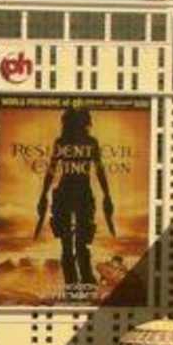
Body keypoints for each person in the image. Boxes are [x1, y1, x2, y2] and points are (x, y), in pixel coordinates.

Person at [33, 107, 117, 296]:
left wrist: (107, 195)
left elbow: (99, 170)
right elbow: (52, 170)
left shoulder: (84, 142)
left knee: (78, 243)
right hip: (70, 194)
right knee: (71, 244)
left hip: (77, 195)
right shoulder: (69, 142)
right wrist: (43, 195)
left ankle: (83, 284)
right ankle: (76, 286)